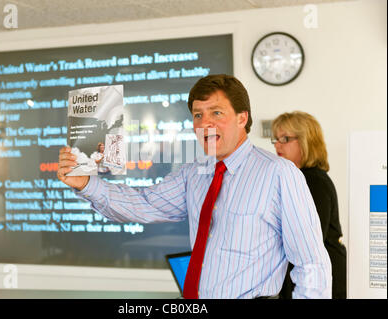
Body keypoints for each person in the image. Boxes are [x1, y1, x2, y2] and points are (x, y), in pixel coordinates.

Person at [57, 74, 332, 299]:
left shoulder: (279, 174)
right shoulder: (194, 173)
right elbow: (145, 205)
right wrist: (87, 184)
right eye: (198, 115)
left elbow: (312, 264)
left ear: (242, 118)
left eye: (216, 112)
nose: (205, 123)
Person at [271, 111, 347, 299]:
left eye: (285, 138)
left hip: (321, 282)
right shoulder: (302, 178)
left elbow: (306, 241)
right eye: (276, 139)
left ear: (306, 142)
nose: (278, 145)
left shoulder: (312, 181)